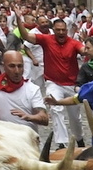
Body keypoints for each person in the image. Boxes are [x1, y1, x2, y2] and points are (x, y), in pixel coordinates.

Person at [16, 17, 85, 150]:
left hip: (72, 84)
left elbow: (83, 51)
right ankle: (61, 143)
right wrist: (19, 19)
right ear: (53, 30)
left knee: (75, 117)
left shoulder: (73, 43)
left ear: (67, 31)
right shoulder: (46, 40)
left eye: (63, 30)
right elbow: (26, 36)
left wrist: (86, 46)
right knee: (55, 109)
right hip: (53, 83)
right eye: (58, 30)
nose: (61, 32)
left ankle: (79, 139)